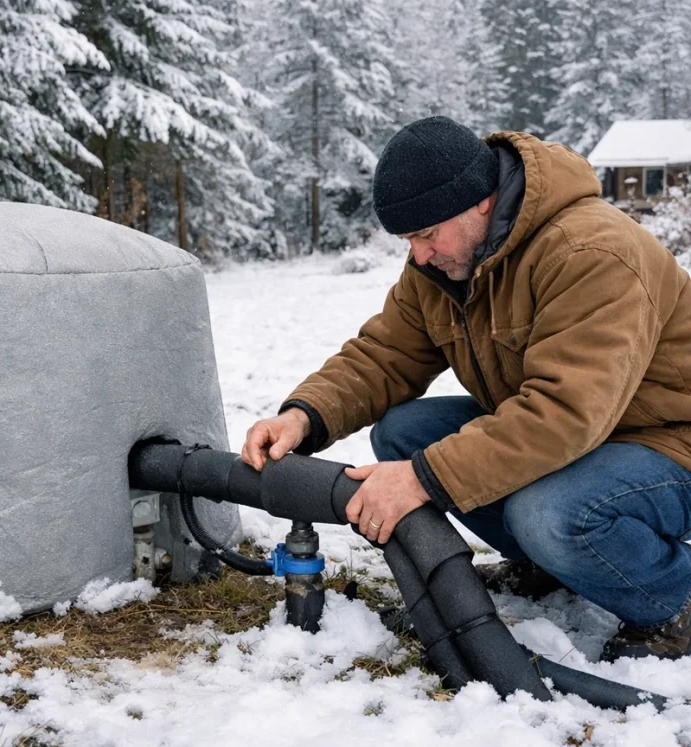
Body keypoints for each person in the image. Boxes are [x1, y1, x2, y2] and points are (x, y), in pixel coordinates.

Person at [241, 116, 691, 662]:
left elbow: (566, 411)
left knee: (548, 514)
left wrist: (427, 480)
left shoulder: (590, 252)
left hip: (667, 442)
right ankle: (550, 566)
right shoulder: (446, 265)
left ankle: (673, 599)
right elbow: (387, 354)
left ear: (482, 200)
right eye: (410, 239)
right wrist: (303, 417)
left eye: (427, 234)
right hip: (591, 437)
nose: (420, 254)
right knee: (405, 434)